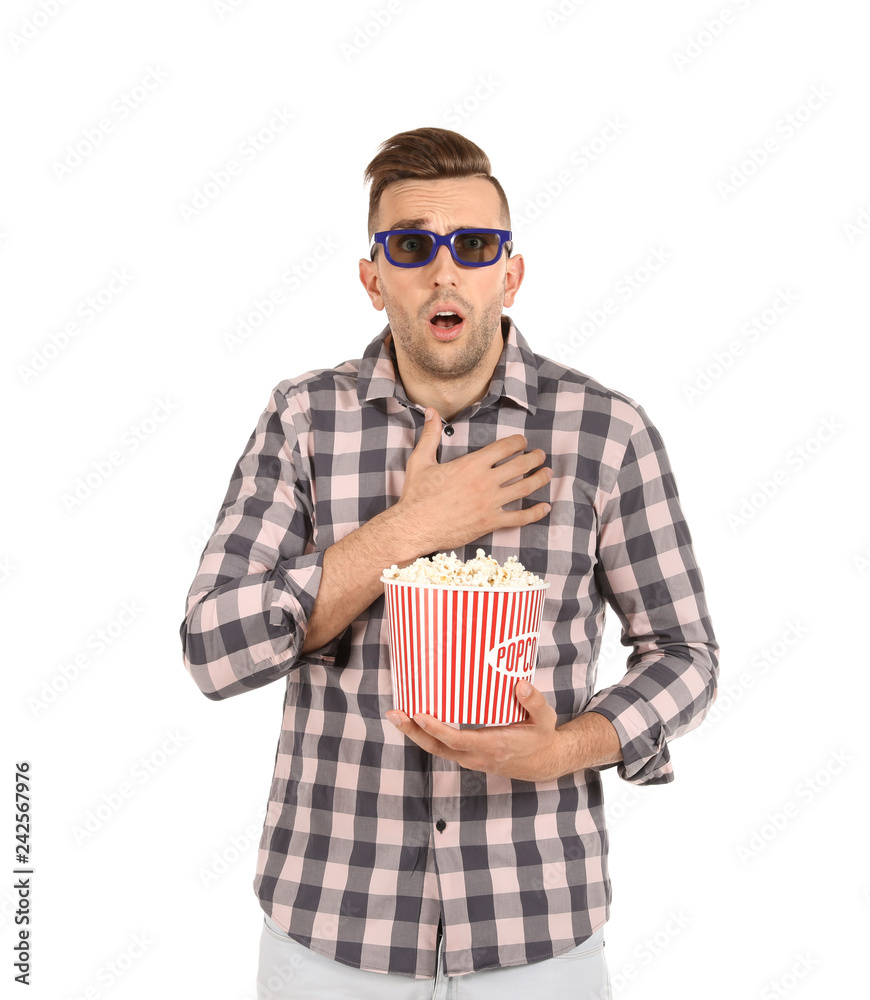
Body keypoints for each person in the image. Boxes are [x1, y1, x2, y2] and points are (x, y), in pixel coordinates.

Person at [179, 126, 719, 999]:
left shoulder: (605, 431)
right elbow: (212, 648)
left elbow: (687, 658)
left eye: (472, 246)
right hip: (330, 929)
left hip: (537, 930)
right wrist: (404, 529)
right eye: (410, 245)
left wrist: (565, 749)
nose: (444, 271)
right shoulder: (303, 421)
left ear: (509, 273)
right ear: (372, 276)